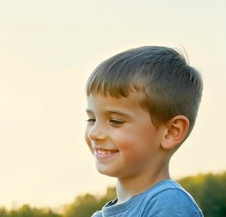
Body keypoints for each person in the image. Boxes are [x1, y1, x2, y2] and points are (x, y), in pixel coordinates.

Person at [85, 46, 203, 216]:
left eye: (115, 121)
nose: (94, 133)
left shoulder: (168, 203)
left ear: (171, 132)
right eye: (92, 119)